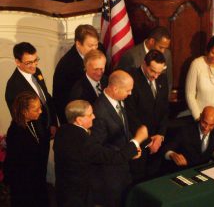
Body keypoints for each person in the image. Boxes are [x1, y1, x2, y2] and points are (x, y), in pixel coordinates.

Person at [54, 100, 148, 207]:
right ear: (79, 120)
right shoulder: (83, 141)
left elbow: (94, 154)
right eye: (90, 115)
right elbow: (114, 157)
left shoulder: (62, 131)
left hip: (63, 191)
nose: (94, 117)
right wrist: (137, 140)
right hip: (78, 197)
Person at [91, 70, 144, 207]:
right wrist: (136, 141)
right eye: (128, 90)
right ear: (115, 88)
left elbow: (123, 131)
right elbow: (99, 150)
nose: (130, 93)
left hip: (122, 171)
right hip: (109, 177)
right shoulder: (99, 111)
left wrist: (131, 150)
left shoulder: (118, 101)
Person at [5, 42, 58, 176]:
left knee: (42, 171)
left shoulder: (36, 72)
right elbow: (21, 119)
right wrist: (40, 136)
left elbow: (46, 97)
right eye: (29, 62)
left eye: (35, 60)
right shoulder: (14, 87)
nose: (34, 65)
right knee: (33, 174)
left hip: (46, 131)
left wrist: (52, 123)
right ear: (17, 62)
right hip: (32, 140)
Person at [125, 49, 169, 182]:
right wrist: (149, 141)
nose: (156, 76)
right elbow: (130, 115)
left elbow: (164, 109)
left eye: (159, 72)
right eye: (152, 71)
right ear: (144, 63)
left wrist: (160, 136)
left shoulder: (162, 78)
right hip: (140, 143)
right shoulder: (131, 79)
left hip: (158, 142)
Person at [162, 106, 214, 171]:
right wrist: (172, 154)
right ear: (200, 117)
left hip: (204, 170)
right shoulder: (185, 130)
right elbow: (166, 148)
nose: (206, 128)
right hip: (183, 170)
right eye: (204, 123)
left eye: (211, 125)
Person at [4, 91, 48, 207]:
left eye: (40, 107)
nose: (40, 111)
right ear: (24, 112)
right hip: (24, 184)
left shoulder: (34, 122)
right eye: (36, 109)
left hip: (35, 178)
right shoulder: (16, 132)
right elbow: (15, 163)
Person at [53, 24, 101, 124]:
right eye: (90, 46)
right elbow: (61, 102)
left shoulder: (99, 51)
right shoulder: (67, 66)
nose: (95, 49)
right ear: (78, 44)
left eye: (96, 45)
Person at [117, 26, 173, 92]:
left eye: (165, 48)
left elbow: (168, 82)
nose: (163, 51)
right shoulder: (131, 56)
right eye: (160, 47)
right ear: (152, 41)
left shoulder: (167, 54)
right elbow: (123, 84)